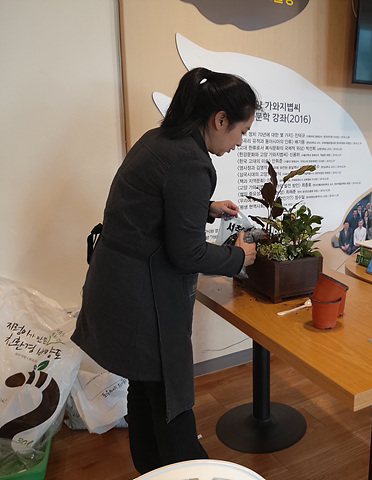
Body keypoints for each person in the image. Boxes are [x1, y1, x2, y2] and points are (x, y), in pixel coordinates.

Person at [71, 68, 259, 475]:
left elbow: (153, 206)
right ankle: (190, 472)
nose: (239, 143)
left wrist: (205, 208)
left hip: (118, 286)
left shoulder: (159, 140)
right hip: (146, 300)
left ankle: (152, 472)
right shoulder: (191, 162)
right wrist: (238, 257)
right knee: (173, 404)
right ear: (220, 120)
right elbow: (187, 253)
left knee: (144, 392)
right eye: (241, 132)